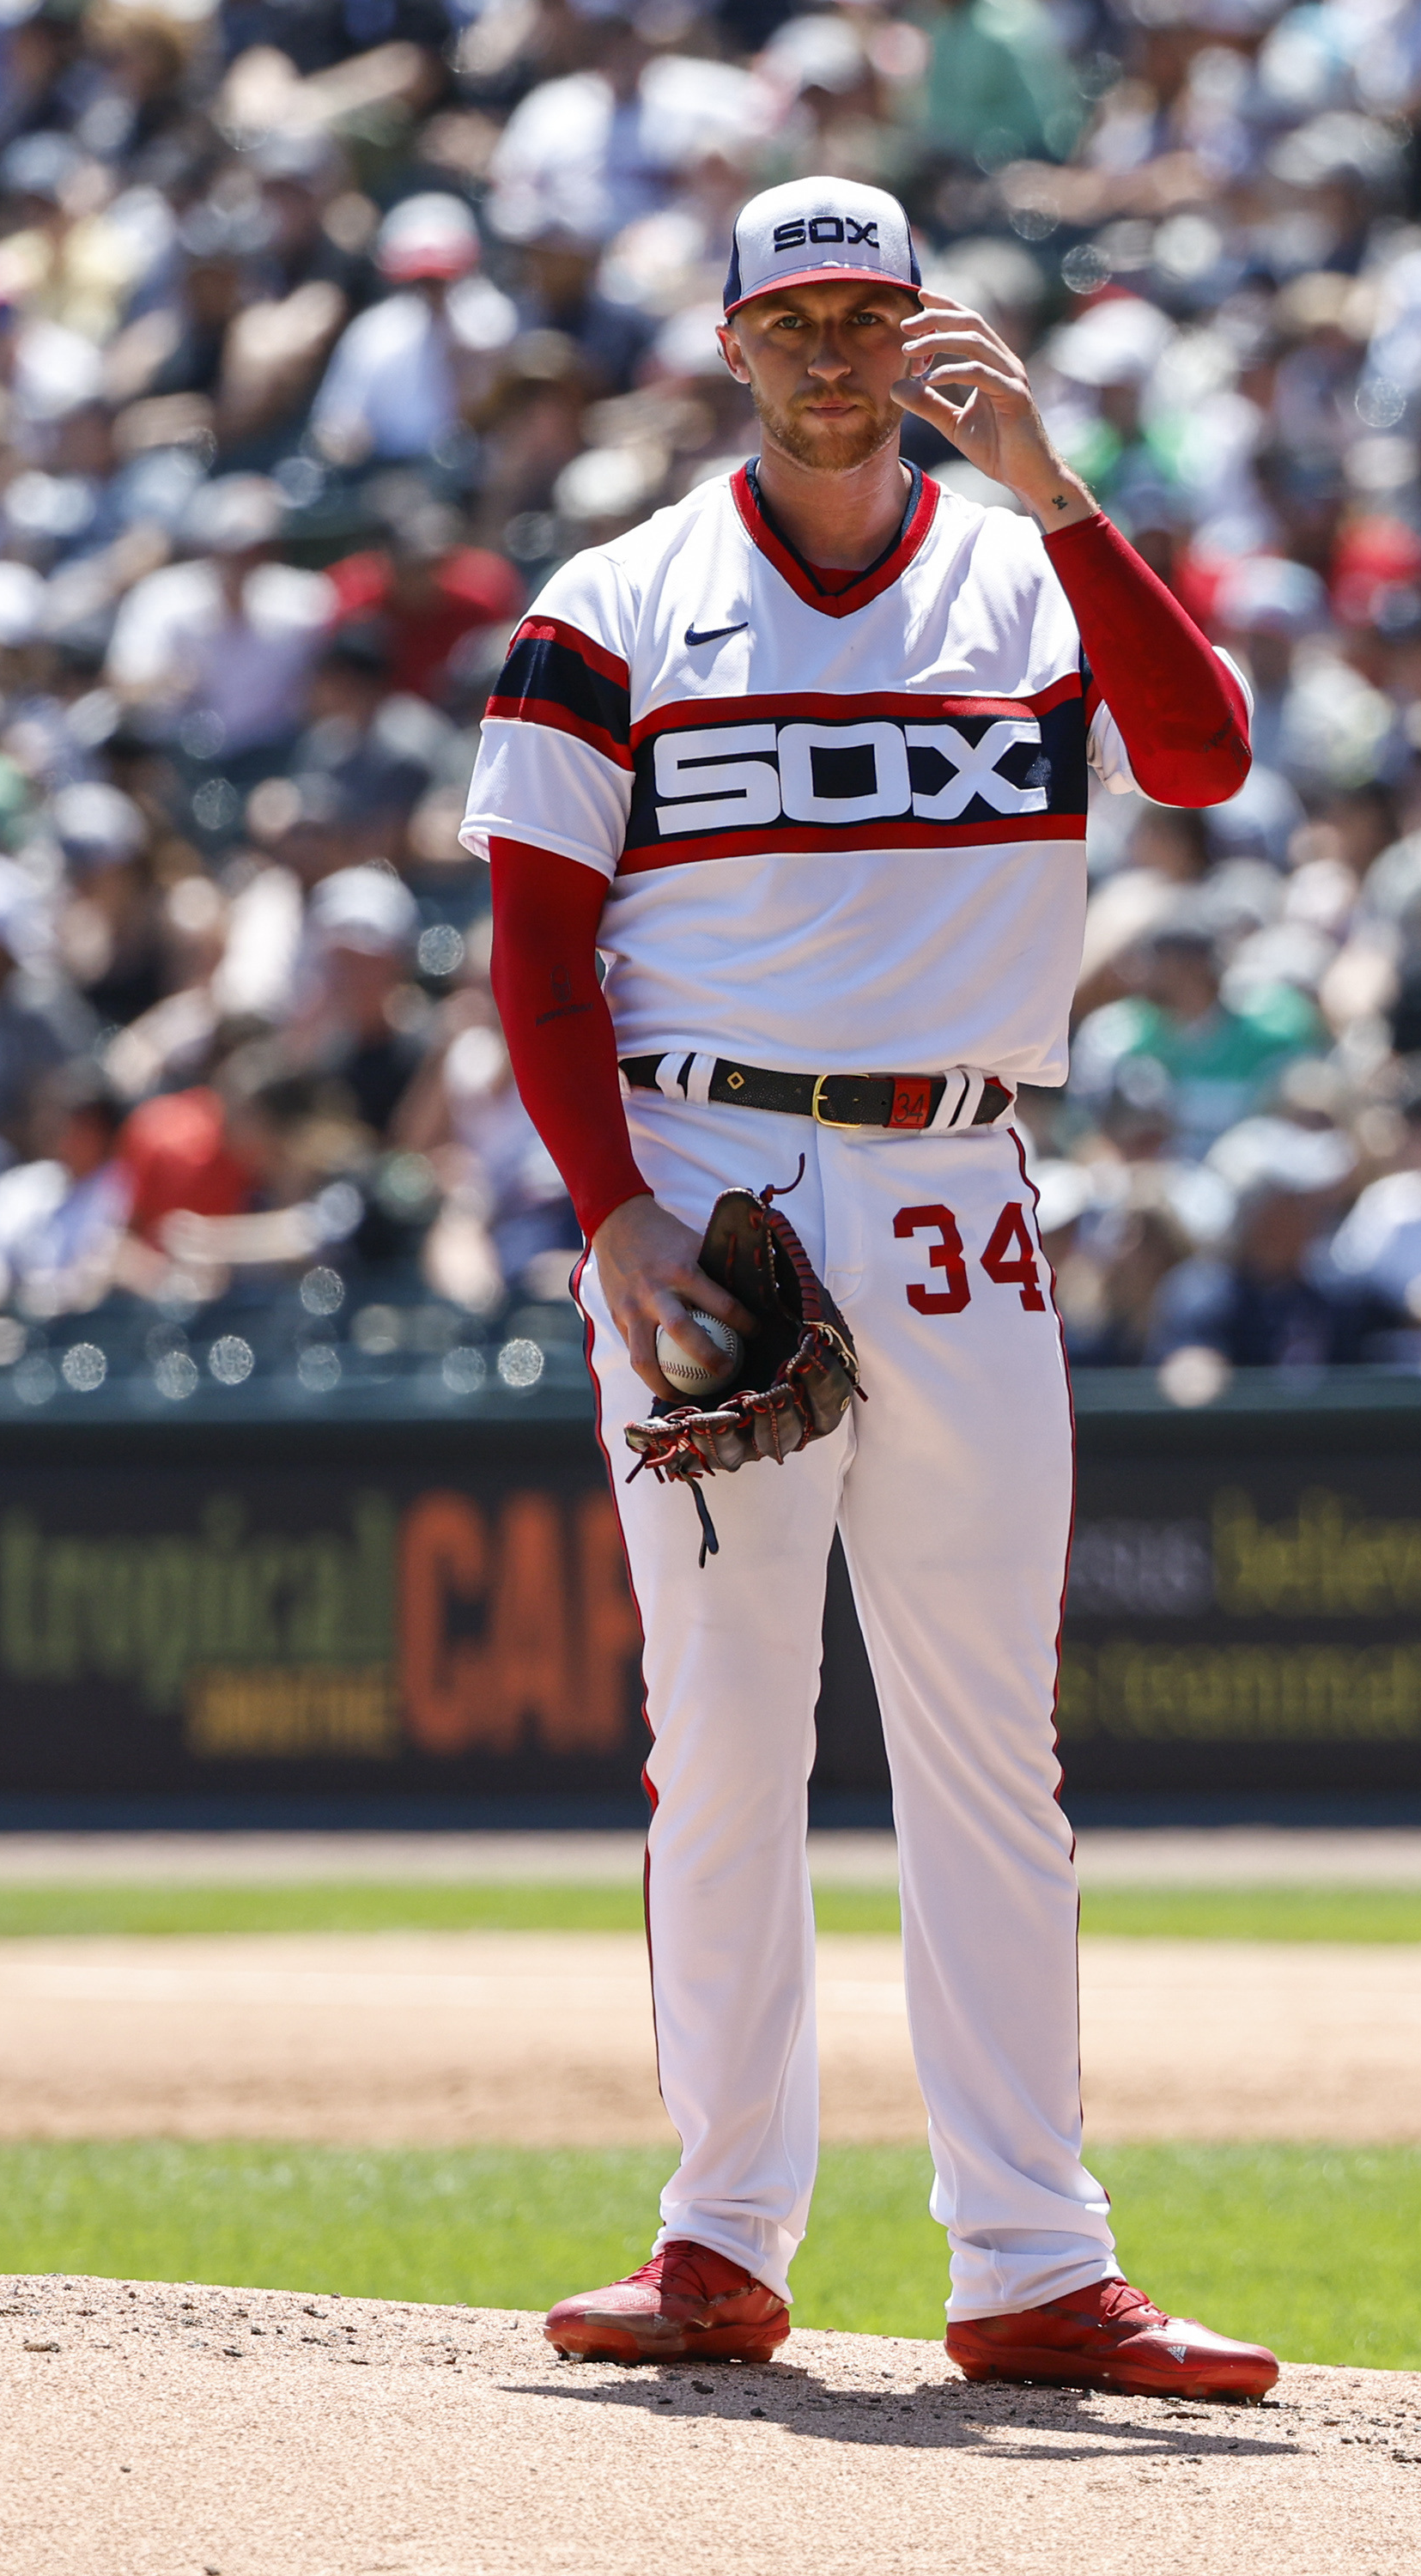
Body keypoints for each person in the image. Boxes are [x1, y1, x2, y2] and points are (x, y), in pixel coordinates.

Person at [459, 177, 1277, 2395]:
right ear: (732, 346)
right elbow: (535, 954)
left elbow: (1202, 753)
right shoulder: (615, 604)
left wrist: (1058, 487)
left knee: (988, 1742)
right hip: (708, 1166)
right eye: (794, 317)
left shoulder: (1024, 572)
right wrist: (611, 1208)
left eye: (870, 311)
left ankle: (1028, 2256)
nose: (835, 350)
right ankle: (719, 2233)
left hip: (953, 1177)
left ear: (931, 331)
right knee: (722, 1729)